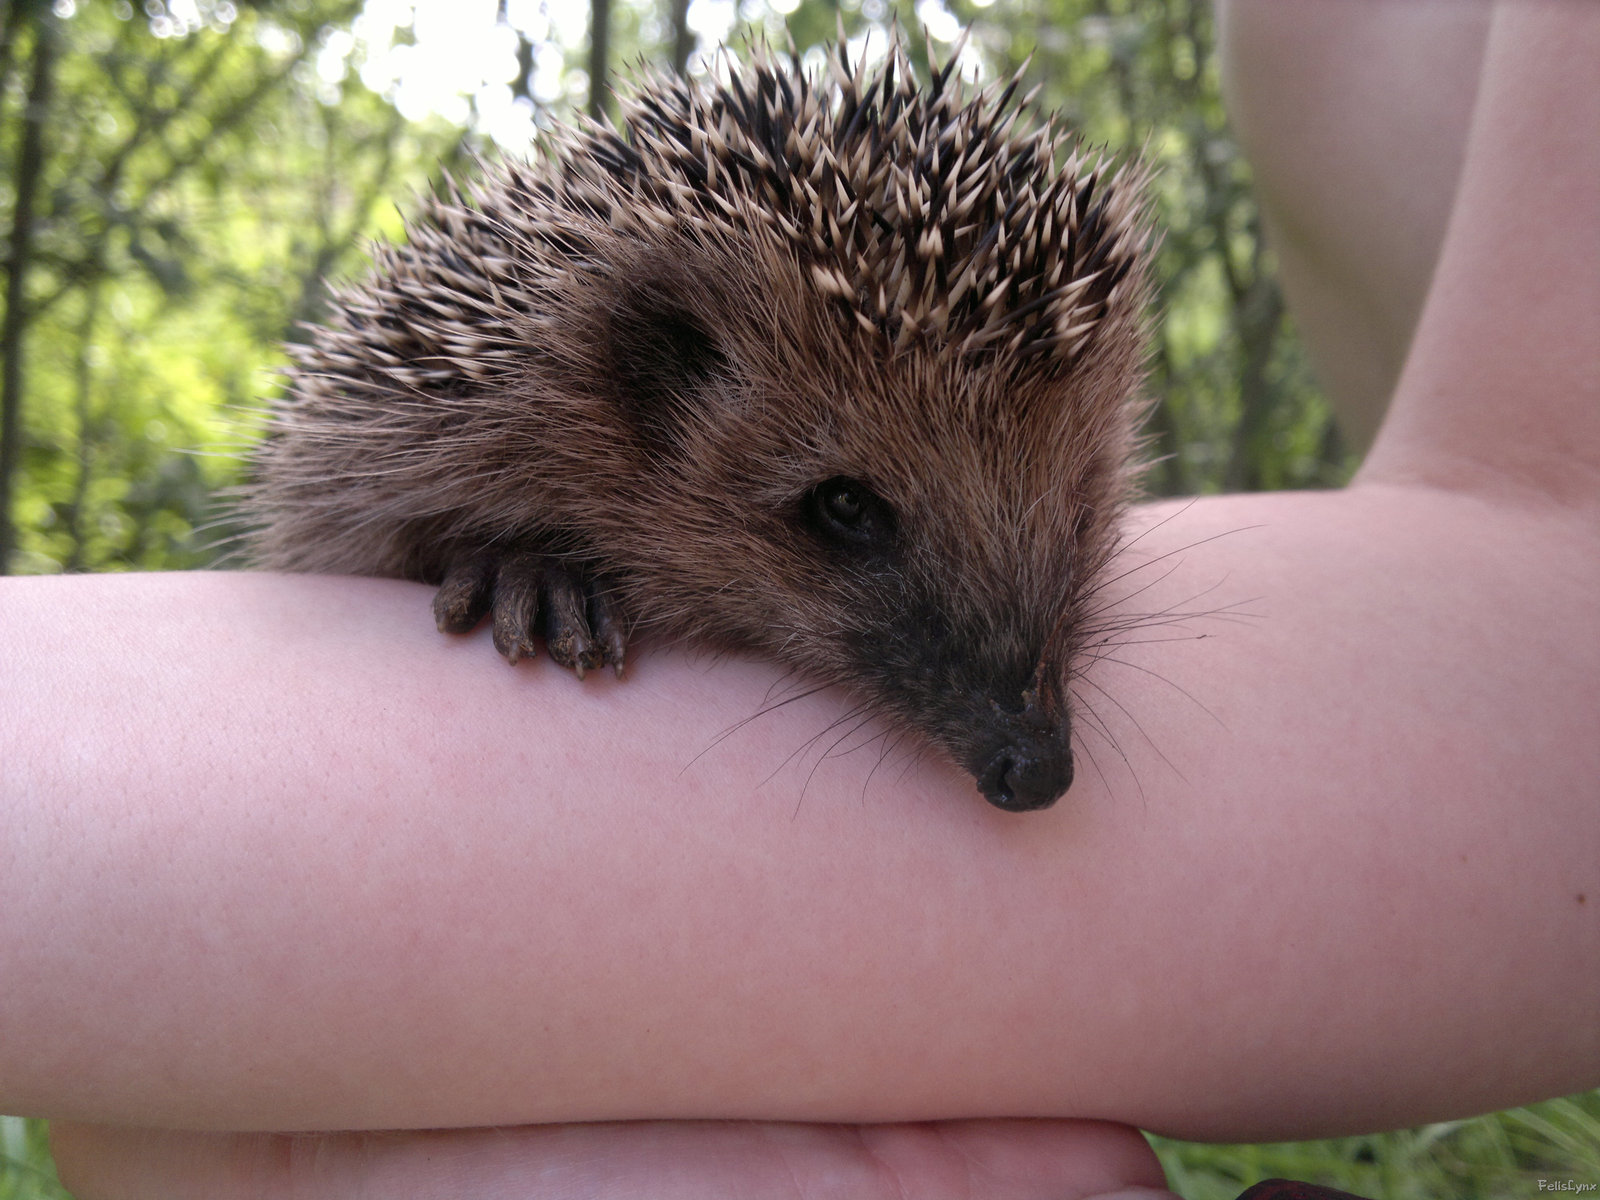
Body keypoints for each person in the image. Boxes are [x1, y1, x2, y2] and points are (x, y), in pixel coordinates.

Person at [3, 0, 1593, 1196]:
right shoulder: (524, 415)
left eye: (1081, 512)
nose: (1021, 742)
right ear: (660, 381)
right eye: (850, 516)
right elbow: (326, 528)